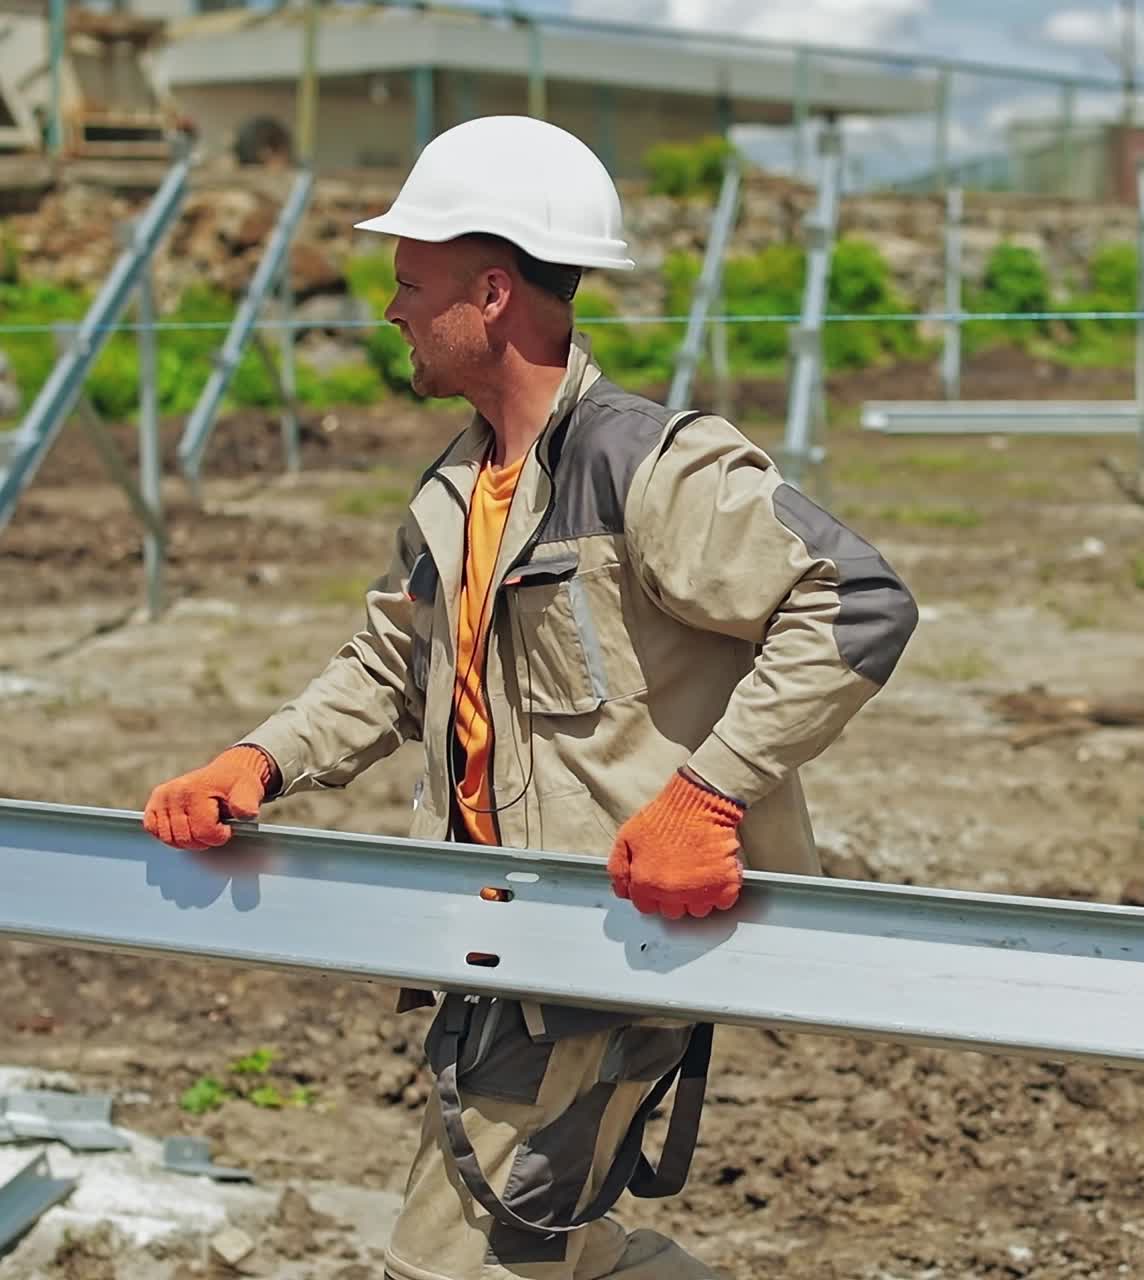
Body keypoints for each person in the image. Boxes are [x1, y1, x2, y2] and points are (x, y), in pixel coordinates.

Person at [143, 115, 918, 1280]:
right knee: (556, 1250)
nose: (391, 309)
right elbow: (389, 667)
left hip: (608, 946)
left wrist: (707, 797)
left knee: (454, 1262)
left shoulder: (648, 464)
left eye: (412, 282)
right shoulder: (456, 489)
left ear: (492, 291)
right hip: (504, 939)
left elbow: (854, 602)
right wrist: (256, 761)